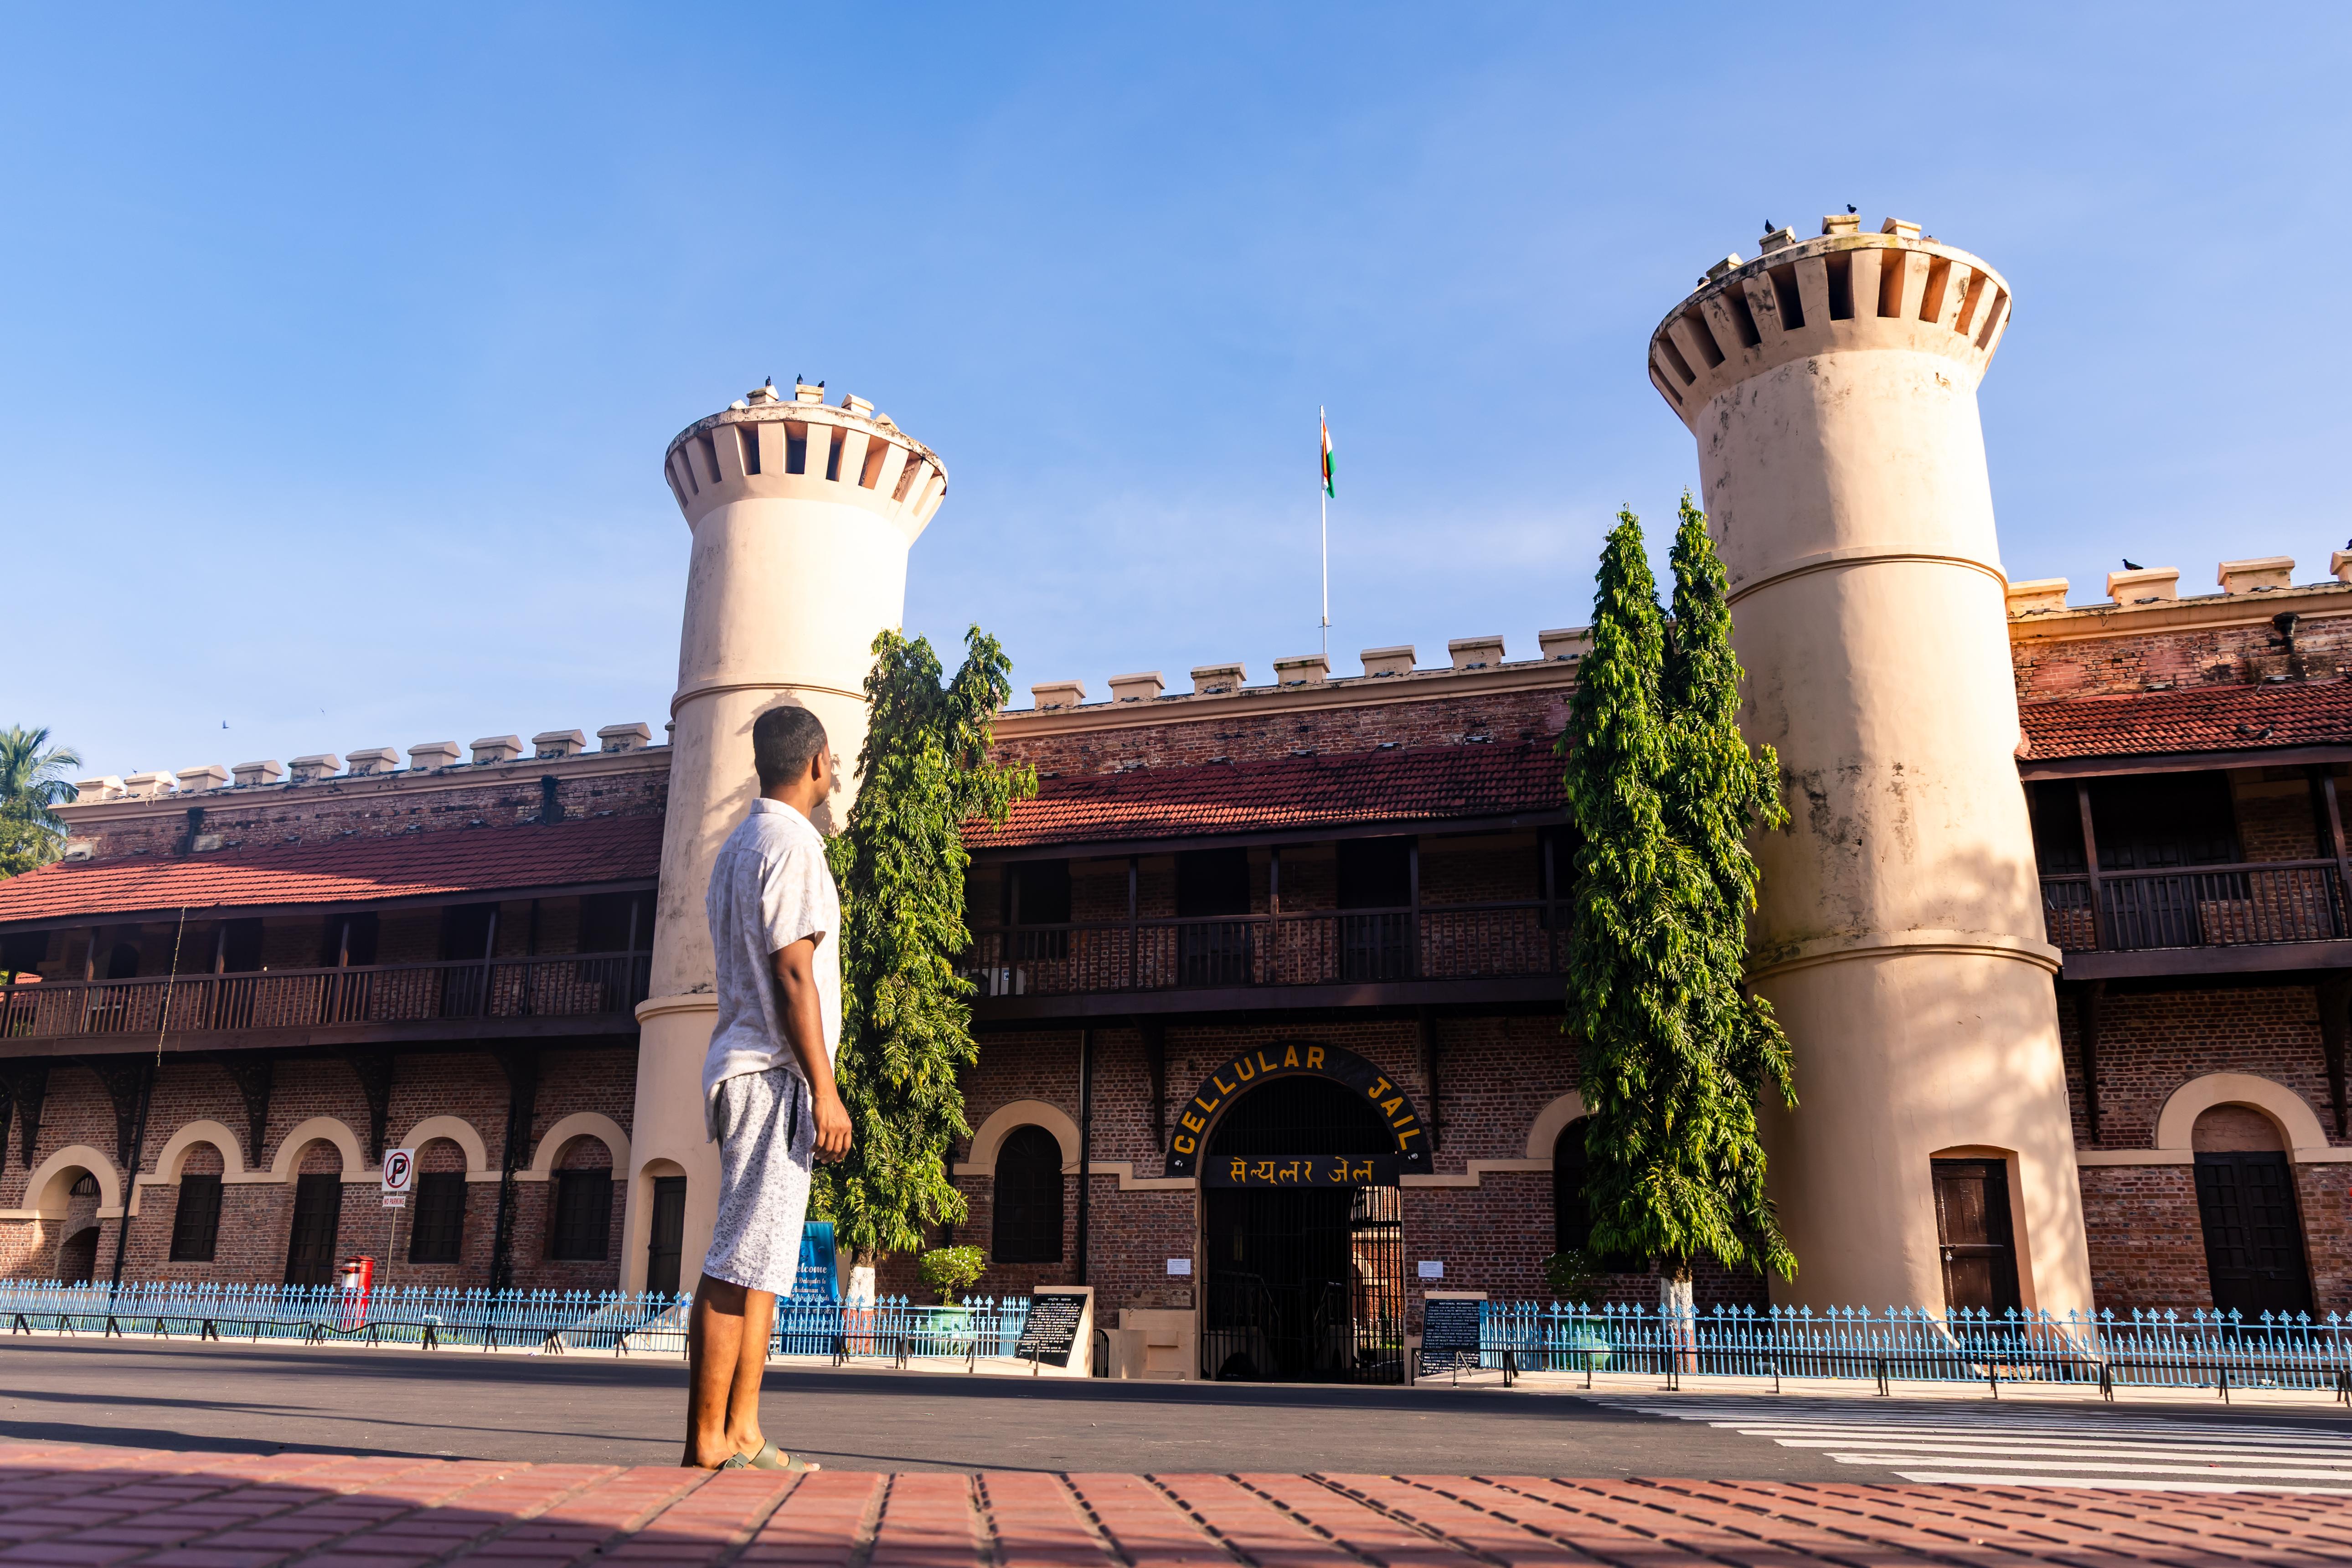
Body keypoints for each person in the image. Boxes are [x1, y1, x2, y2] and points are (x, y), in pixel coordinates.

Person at [683, 704, 855, 1471]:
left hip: (751, 1066)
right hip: (771, 1073)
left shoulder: (738, 846)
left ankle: (743, 1429)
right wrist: (827, 1088)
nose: (836, 773)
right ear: (817, 761)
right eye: (835, 761)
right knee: (735, 1258)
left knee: (765, 1263)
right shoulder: (793, 846)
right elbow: (794, 973)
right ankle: (707, 1439)